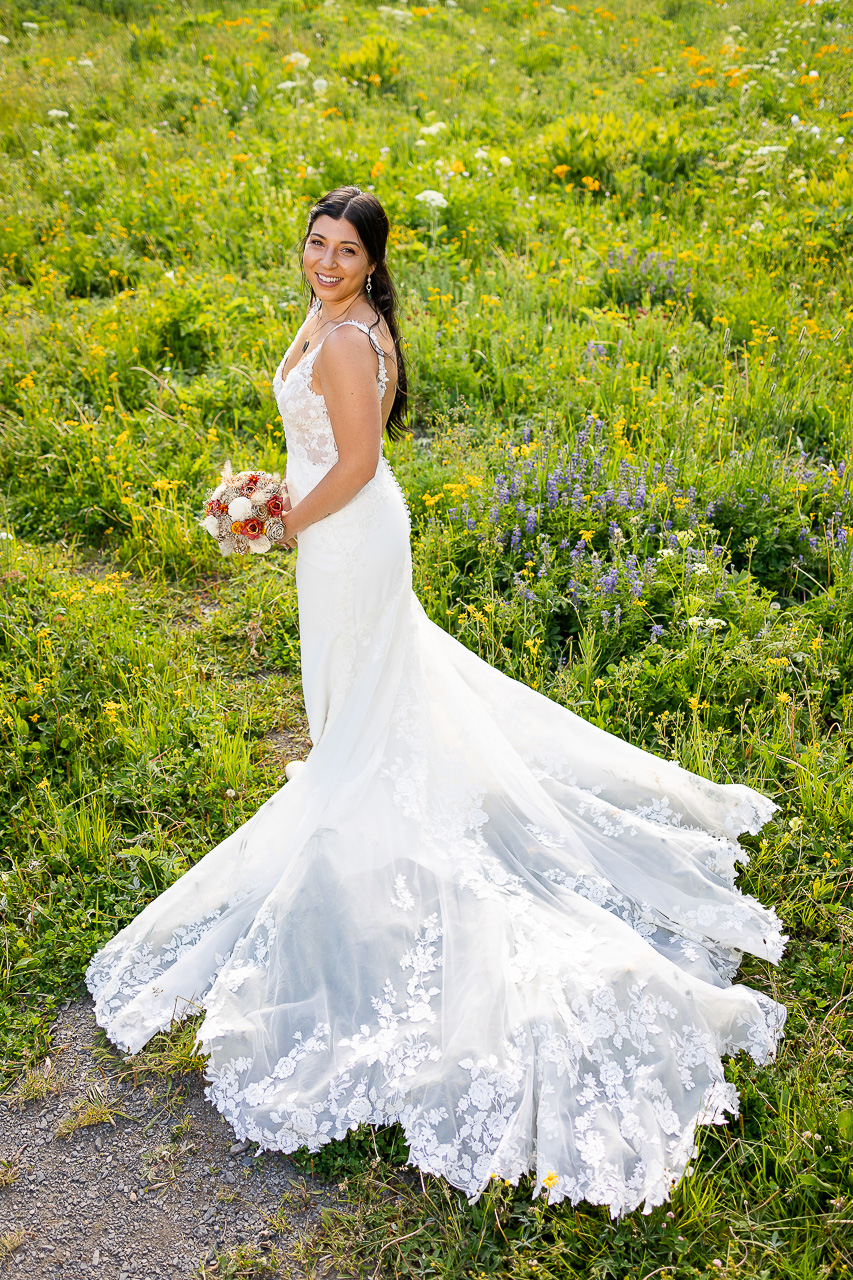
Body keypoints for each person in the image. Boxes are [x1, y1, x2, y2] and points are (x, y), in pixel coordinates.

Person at [87, 186, 786, 1218]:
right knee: (364, 704)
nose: (325, 260)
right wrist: (270, 483)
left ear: (373, 260)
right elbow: (333, 448)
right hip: (341, 530)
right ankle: (361, 793)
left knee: (361, 710)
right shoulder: (340, 321)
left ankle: (369, 831)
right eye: (316, 243)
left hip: (347, 538)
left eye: (345, 249)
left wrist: (278, 523)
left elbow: (360, 461)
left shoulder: (345, 338)